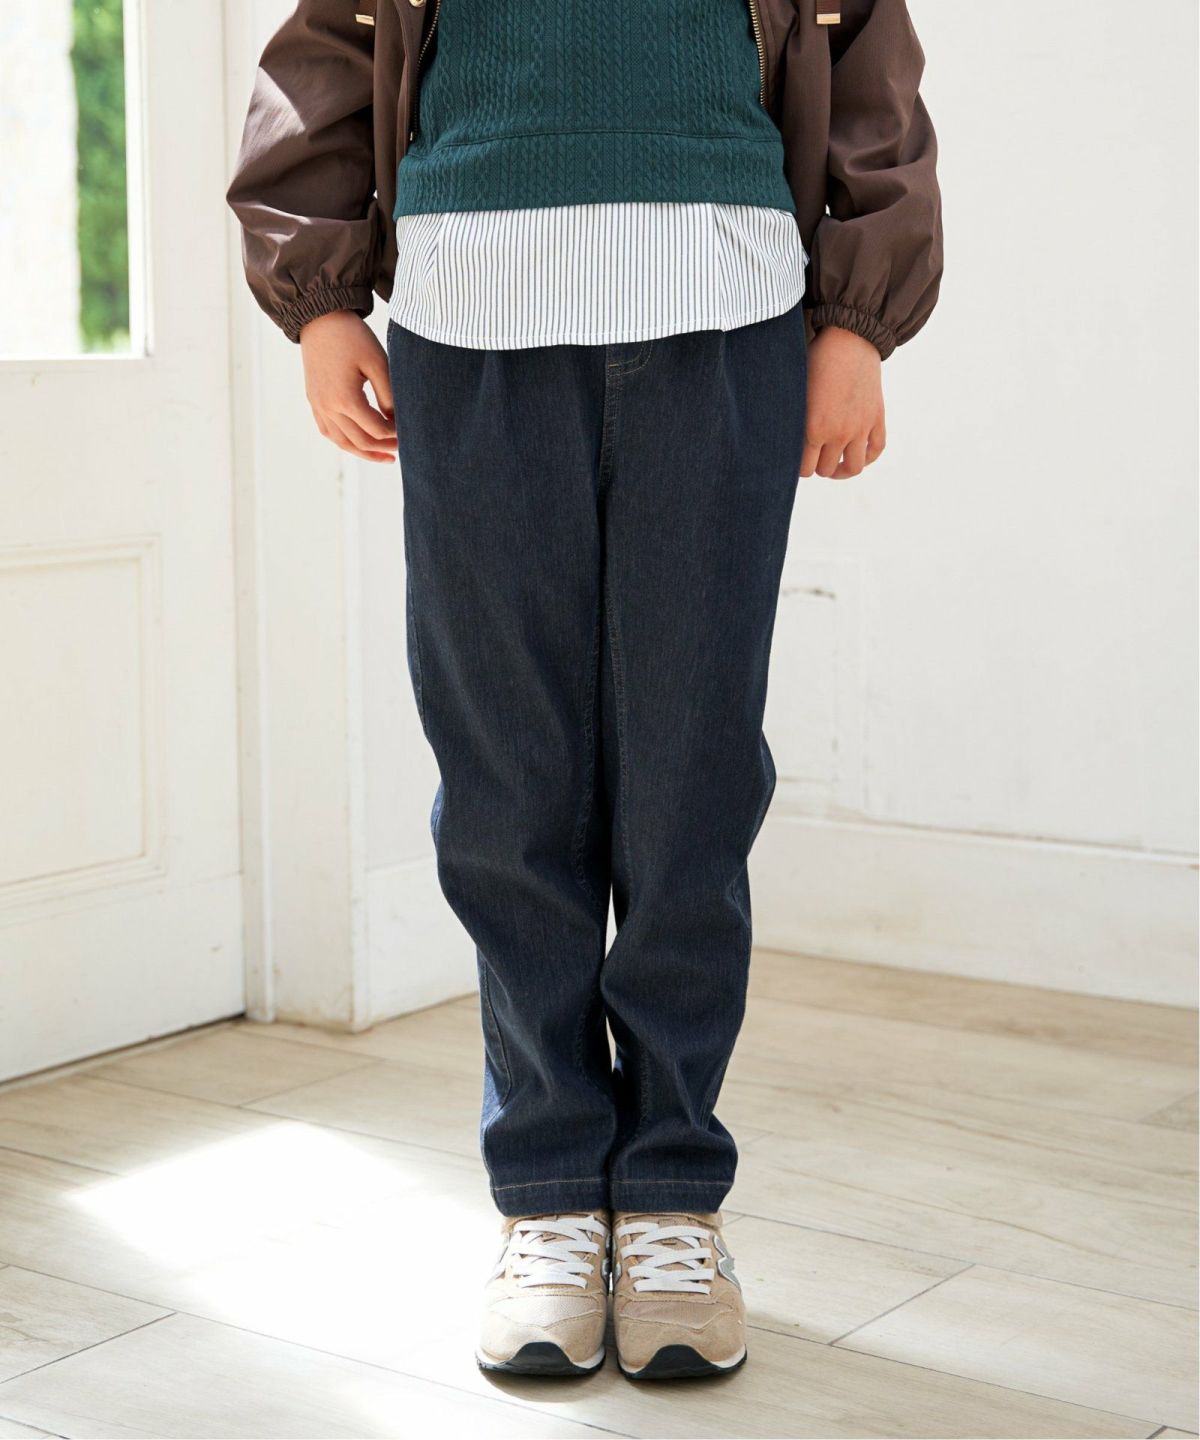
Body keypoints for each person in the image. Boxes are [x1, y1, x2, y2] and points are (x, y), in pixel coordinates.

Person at [228, 0, 941, 1382]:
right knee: (509, 786)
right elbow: (323, 54)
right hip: (469, 316)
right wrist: (320, 298)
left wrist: (857, 320)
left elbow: (871, 69)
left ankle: (671, 1194)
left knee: (690, 782)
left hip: (727, 307)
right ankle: (550, 1194)